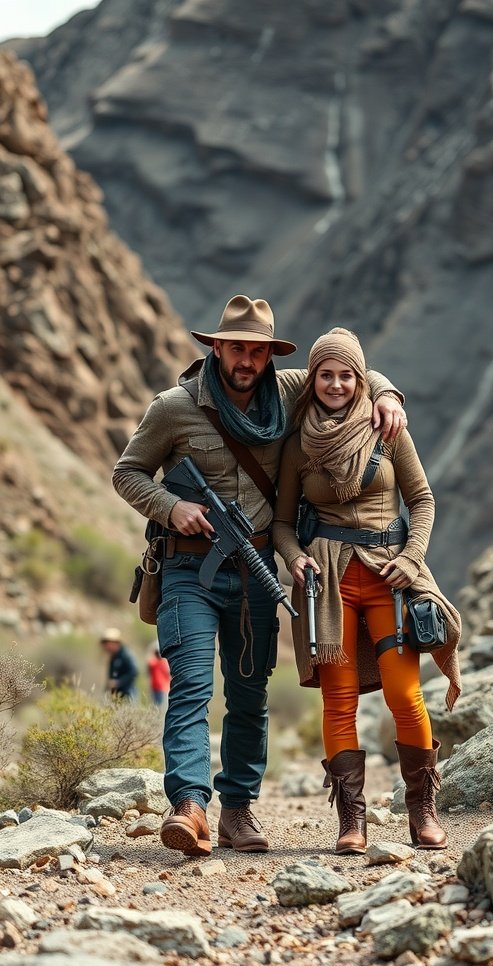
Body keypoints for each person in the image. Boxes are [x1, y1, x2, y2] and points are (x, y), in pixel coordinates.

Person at [112, 294, 407, 858]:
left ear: (270, 354)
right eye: (237, 347)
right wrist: (171, 508)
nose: (246, 360)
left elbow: (350, 371)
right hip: (186, 567)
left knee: (249, 695)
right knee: (193, 687)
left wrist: (389, 394)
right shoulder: (174, 407)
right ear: (217, 347)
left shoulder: (292, 390)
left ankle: (238, 811)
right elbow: (127, 473)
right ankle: (191, 806)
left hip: (254, 571)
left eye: (257, 350)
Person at [272, 327, 461, 855]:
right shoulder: (297, 447)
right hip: (327, 584)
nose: (335, 384)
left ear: (361, 380)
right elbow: (283, 523)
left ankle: (422, 812)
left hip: (388, 576)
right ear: (312, 380)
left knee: (405, 695)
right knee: (338, 703)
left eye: (346, 375)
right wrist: (295, 558)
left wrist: (412, 557)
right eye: (326, 375)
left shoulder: (388, 429)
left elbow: (421, 499)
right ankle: (350, 823)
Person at [100, 627, 139, 700]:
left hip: (127, 694)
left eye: (107, 643)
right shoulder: (114, 656)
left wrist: (118, 682)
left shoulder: (126, 654)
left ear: (115, 642)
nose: (105, 647)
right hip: (116, 696)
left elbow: (134, 672)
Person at [147, 643, 171, 709]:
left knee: (161, 708)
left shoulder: (163, 663)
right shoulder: (154, 663)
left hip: (162, 689)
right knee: (155, 707)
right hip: (155, 688)